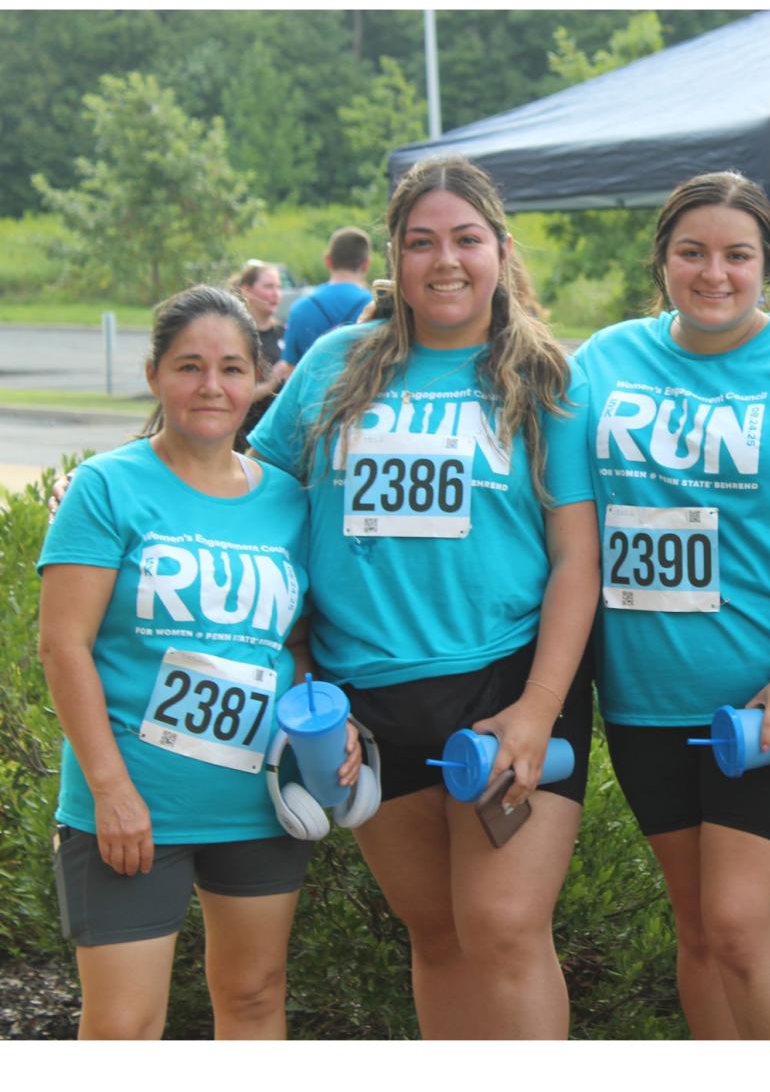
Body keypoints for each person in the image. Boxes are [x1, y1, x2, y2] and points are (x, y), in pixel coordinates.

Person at [249, 156, 599, 1039]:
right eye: (422, 242)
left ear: (501, 252)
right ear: (394, 262)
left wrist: (539, 708)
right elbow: (255, 505)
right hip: (361, 699)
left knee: (506, 929)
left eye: (466, 239)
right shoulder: (336, 361)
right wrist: (297, 671)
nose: (446, 260)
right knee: (437, 934)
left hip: (506, 685)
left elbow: (576, 561)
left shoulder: (546, 379)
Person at [571, 170, 770, 1038]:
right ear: (663, 261)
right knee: (697, 927)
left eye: (737, 255)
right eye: (692, 252)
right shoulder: (603, 359)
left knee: (742, 925)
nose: (713, 272)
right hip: (647, 696)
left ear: (768, 267)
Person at [38, 285, 358, 1039]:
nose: (210, 386)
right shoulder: (108, 486)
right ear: (154, 374)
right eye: (188, 366)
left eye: (230, 368)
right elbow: (63, 645)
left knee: (253, 1000)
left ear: (258, 379)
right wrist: (112, 789)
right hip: (133, 808)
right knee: (123, 1026)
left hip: (260, 803)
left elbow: (299, 641)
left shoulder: (288, 499)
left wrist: (325, 720)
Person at [273, 226, 373, 377]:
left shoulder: (300, 309)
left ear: (328, 260)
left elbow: (290, 369)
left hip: (313, 399)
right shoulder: (378, 308)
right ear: (366, 264)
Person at [231, 259, 288, 440]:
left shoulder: (285, 333)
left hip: (277, 436)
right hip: (243, 435)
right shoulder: (236, 335)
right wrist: (269, 385)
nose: (275, 294)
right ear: (247, 290)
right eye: (268, 287)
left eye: (278, 287)